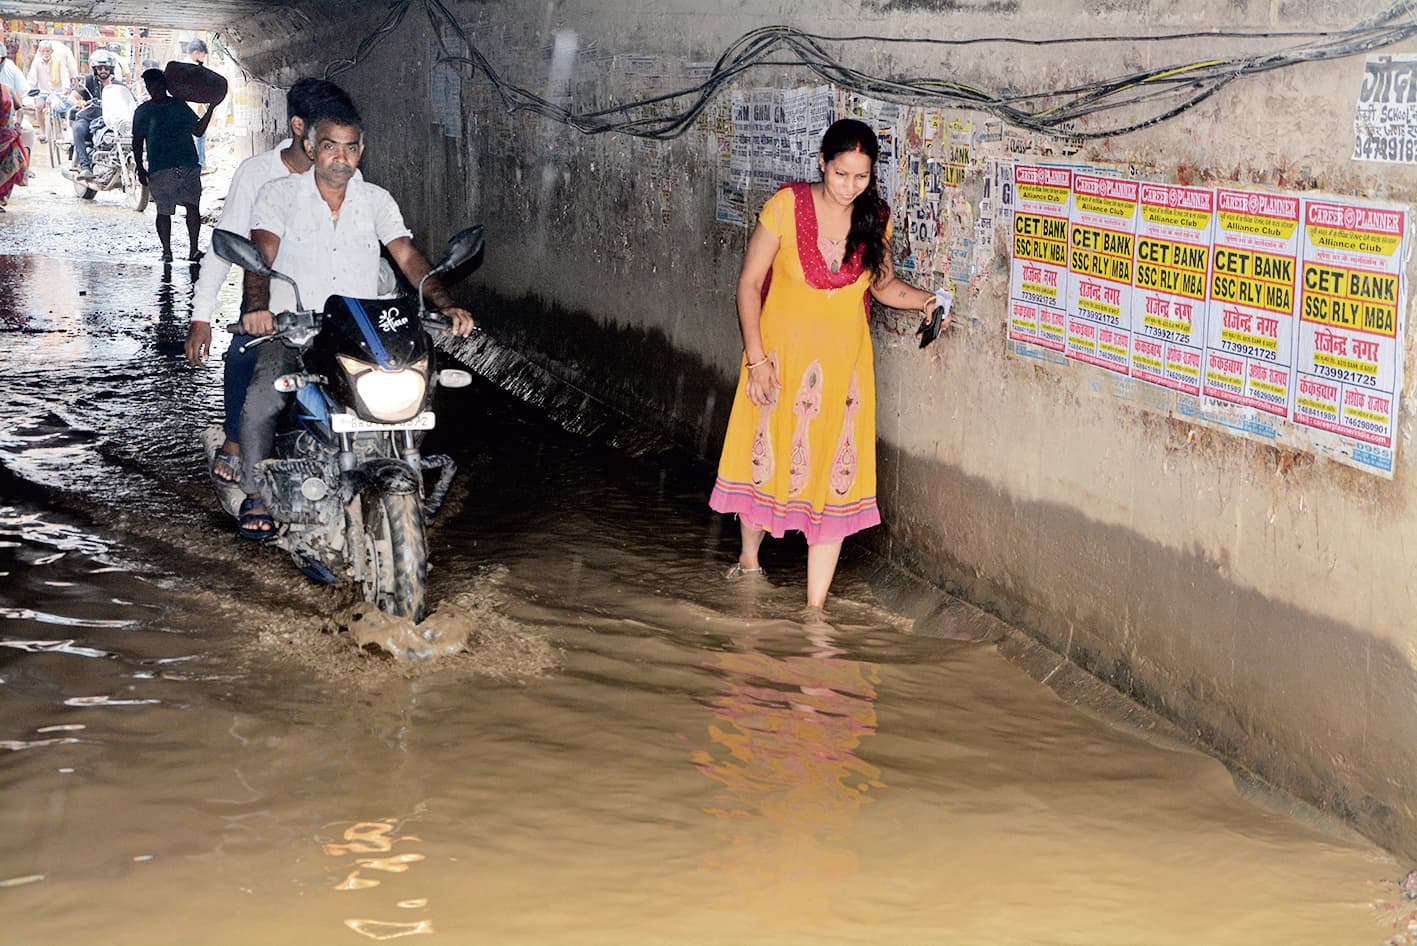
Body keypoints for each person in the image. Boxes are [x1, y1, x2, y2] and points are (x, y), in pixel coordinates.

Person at [708, 118, 946, 617]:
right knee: (764, 456)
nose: (849, 187)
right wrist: (756, 361)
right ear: (822, 163)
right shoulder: (785, 206)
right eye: (841, 174)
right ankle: (749, 563)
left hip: (844, 372)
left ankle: (814, 611)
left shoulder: (873, 216)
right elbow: (749, 285)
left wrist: (925, 300)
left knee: (833, 475)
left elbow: (881, 286)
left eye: (861, 177)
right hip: (778, 362)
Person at [233, 100, 476, 540]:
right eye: (329, 147)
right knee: (265, 397)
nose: (340, 158)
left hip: (360, 328)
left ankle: (398, 471)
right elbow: (260, 257)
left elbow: (408, 257)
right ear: (310, 147)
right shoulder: (278, 195)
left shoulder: (376, 200)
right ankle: (256, 493)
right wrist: (257, 309)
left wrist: (443, 303)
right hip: (295, 329)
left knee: (414, 397)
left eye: (349, 148)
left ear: (360, 151)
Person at [186, 77, 357, 486]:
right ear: (300, 128)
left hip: (330, 310)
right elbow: (225, 247)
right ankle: (235, 440)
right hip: (272, 308)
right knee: (245, 353)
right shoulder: (256, 173)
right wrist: (201, 317)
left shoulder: (347, 174)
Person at [131, 68, 219, 262]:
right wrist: (140, 167)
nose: (154, 89)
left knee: (192, 207)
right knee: (165, 211)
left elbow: (197, 131)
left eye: (156, 84)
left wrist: (211, 108)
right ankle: (167, 251)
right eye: (150, 86)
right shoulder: (144, 111)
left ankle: (193, 250)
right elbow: (137, 141)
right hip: (163, 167)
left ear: (164, 84)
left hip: (186, 164)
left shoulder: (179, 106)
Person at [70, 48, 122, 180]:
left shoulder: (118, 85)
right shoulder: (88, 81)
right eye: (100, 68)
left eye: (106, 68)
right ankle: (85, 167)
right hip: (89, 117)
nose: (103, 70)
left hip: (110, 120)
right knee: (78, 129)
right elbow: (72, 97)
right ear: (95, 69)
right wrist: (80, 102)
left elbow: (129, 99)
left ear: (111, 68)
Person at [25, 41, 75, 141]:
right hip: (42, 92)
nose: (45, 53)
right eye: (43, 51)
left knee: (62, 108)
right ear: (40, 52)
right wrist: (30, 89)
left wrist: (65, 88)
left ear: (51, 51)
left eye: (47, 51)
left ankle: (60, 132)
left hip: (57, 92)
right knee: (39, 107)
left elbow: (64, 75)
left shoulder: (58, 62)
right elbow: (32, 78)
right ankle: (43, 132)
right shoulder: (37, 63)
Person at [0, 81, 29, 212]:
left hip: (6, 137)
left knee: (11, 163)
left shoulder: (7, 90)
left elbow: (19, 108)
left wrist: (17, 124)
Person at [184, 39, 211, 172]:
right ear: (195, 53)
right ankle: (199, 164)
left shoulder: (182, 66)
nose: (203, 59)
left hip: (189, 108)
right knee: (198, 135)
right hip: (190, 108)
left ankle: (199, 163)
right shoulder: (192, 68)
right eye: (202, 55)